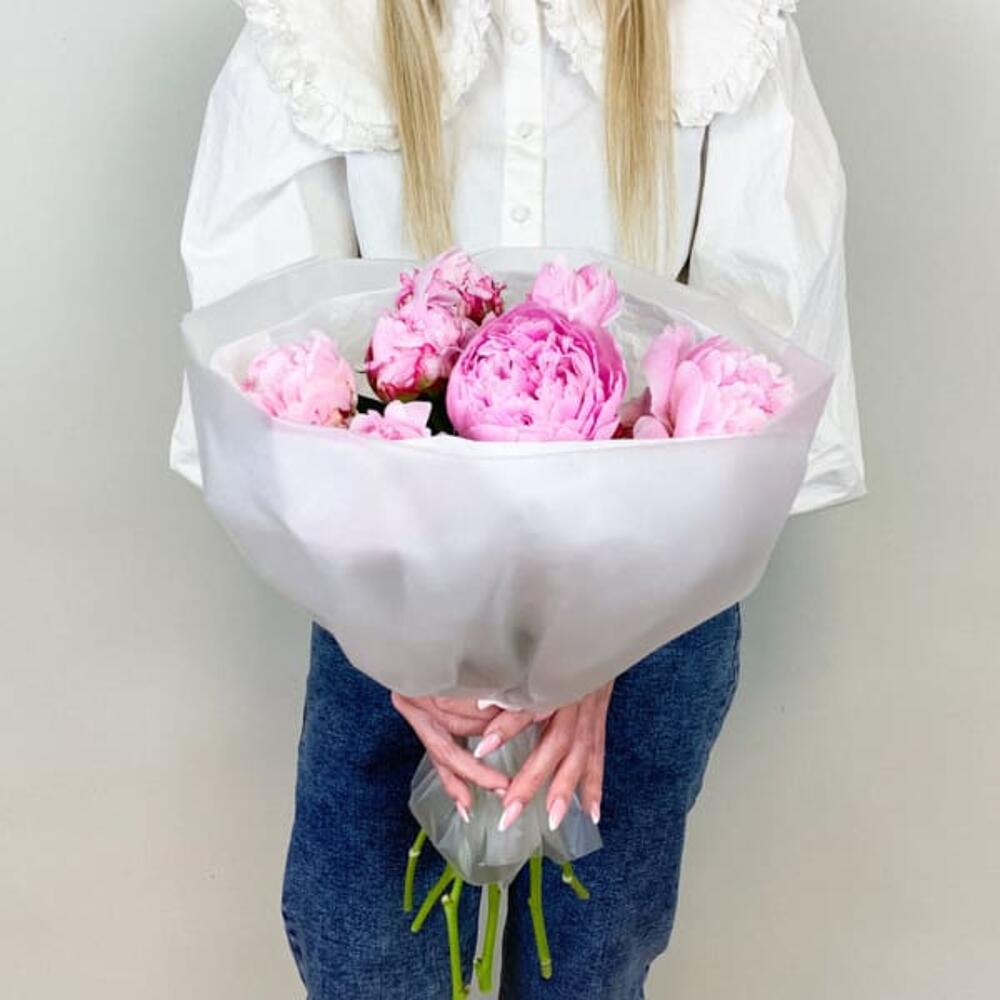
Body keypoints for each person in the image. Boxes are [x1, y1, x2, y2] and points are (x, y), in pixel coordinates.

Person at [171, 1, 865, 996]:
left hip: (653, 600)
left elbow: (765, 345)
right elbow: (264, 344)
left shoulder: (723, 25)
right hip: (389, 585)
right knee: (364, 946)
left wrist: (596, 641)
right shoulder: (322, 24)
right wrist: (405, 652)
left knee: (592, 960)